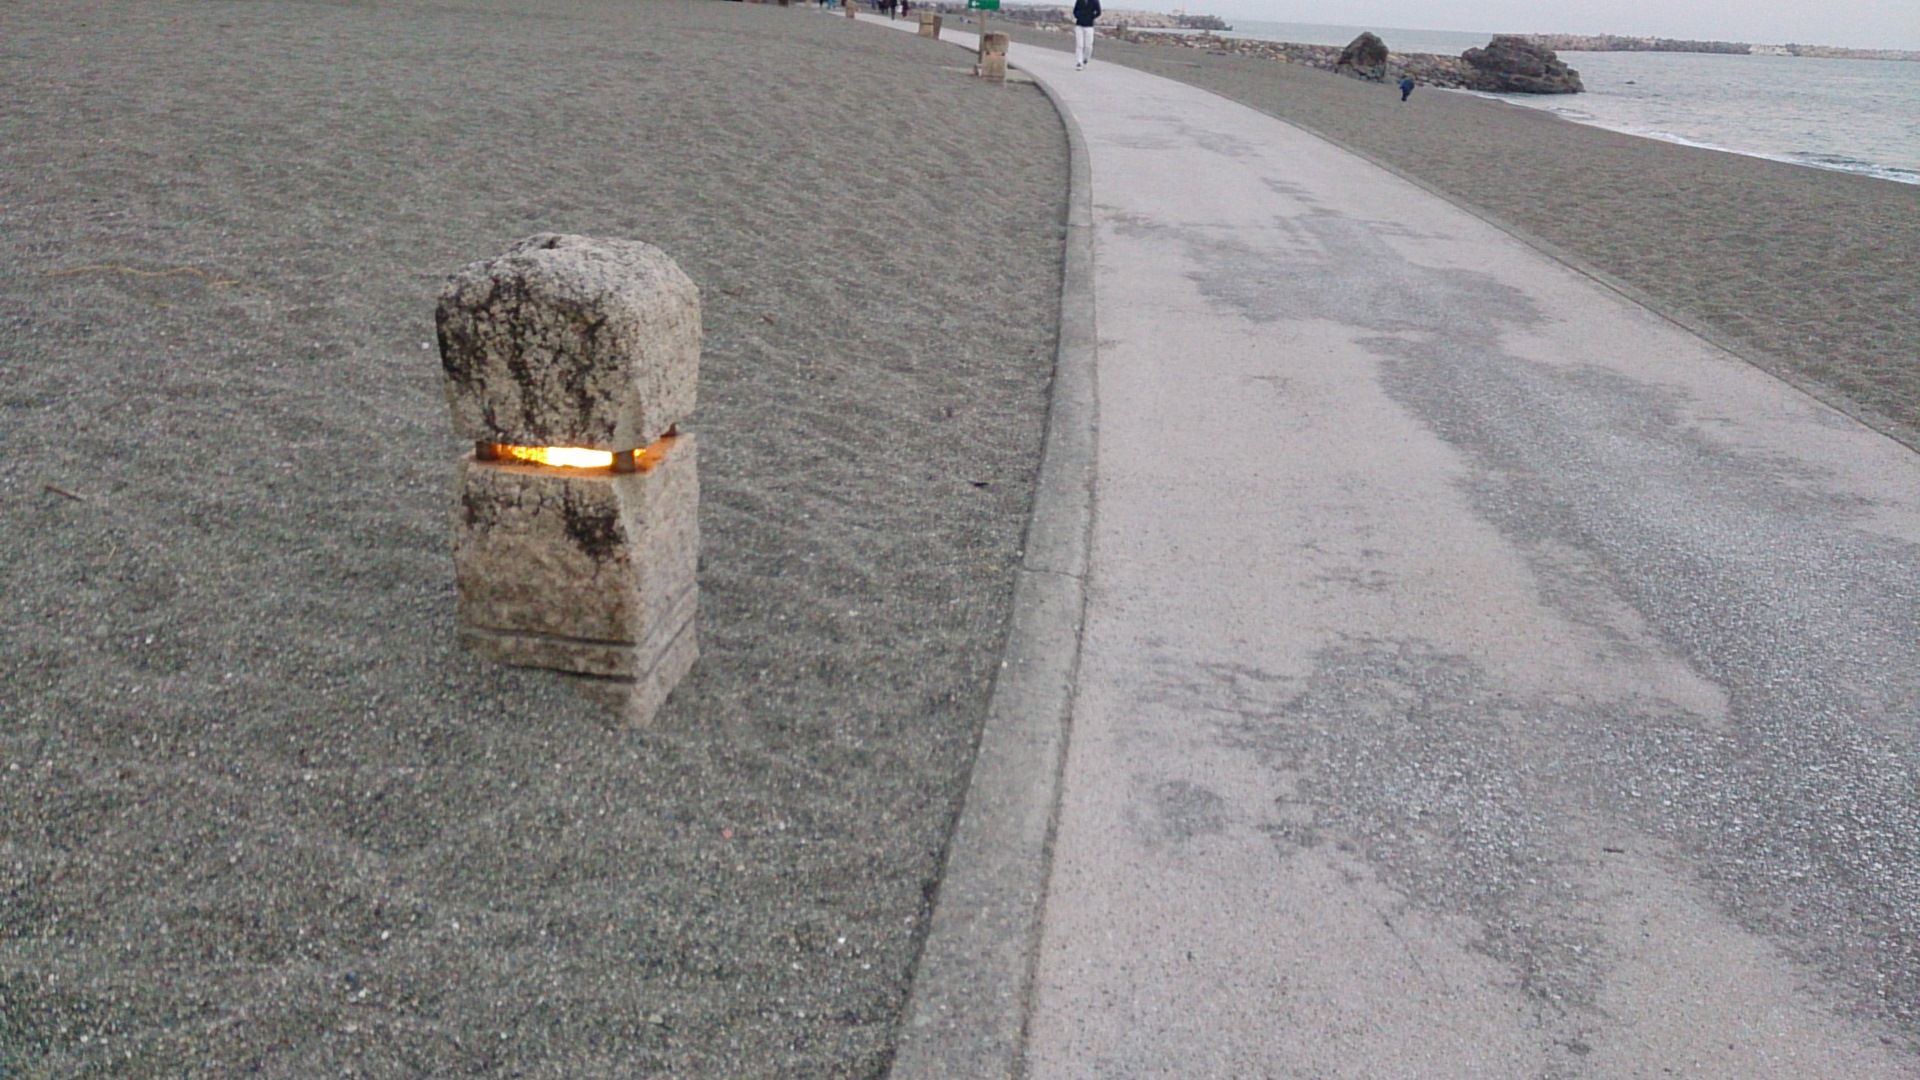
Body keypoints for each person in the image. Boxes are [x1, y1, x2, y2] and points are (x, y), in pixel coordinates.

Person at [1072, 0, 1101, 69]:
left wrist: (1091, 17)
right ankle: (1079, 62)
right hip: (1079, 25)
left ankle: (1086, 58)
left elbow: (1098, 12)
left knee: (1089, 45)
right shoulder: (1079, 1)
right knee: (1079, 45)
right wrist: (1079, 17)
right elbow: (1075, 10)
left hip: (1089, 26)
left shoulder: (1094, 1)